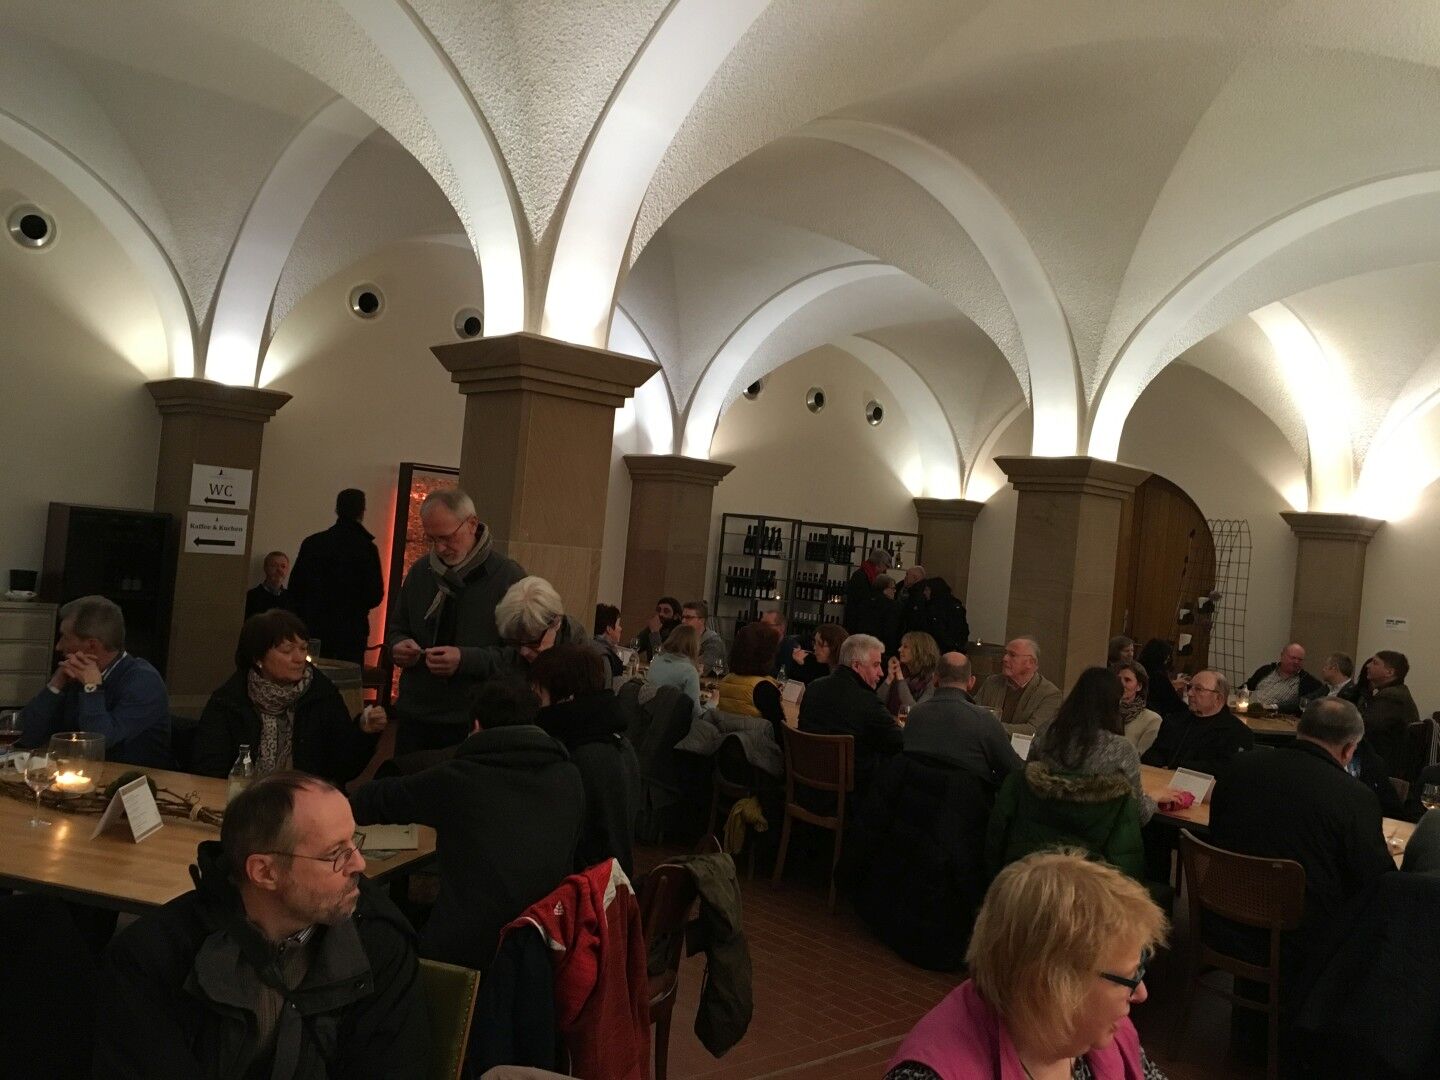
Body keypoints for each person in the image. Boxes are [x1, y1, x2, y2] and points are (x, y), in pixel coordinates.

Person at [92, 772, 430, 1078]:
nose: (359, 863)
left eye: (354, 842)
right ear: (264, 872)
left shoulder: (377, 943)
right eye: (335, 854)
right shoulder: (153, 959)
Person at [350, 681, 585, 971]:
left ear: (475, 725)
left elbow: (373, 800)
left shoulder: (461, 779)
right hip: (547, 938)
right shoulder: (569, 775)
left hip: (469, 948)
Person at [885, 851, 1168, 1080]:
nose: (1141, 993)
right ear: (1055, 986)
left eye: (1139, 970)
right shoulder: (930, 1074)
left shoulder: (1102, 1035)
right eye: (1129, 978)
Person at [1209, 697, 1394, 985]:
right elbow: (1374, 879)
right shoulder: (1354, 796)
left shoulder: (1240, 766)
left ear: (1300, 729)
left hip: (1224, 913)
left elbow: (1216, 830)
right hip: (1300, 939)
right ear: (1349, 749)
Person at [386, 488, 526, 754]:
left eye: (447, 537)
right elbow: (397, 629)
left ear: (472, 524)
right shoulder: (421, 572)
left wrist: (465, 659)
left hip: (472, 719)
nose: (440, 548)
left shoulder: (507, 577)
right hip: (416, 714)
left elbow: (520, 656)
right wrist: (399, 646)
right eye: (432, 539)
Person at [195, 610, 386, 787]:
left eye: (303, 649)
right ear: (258, 658)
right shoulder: (231, 700)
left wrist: (364, 732)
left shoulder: (321, 695)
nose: (299, 658)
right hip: (243, 800)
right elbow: (209, 767)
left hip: (307, 800)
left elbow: (343, 769)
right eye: (287, 651)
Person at [17, 594, 170, 767]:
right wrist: (55, 684)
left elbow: (99, 744)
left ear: (91, 645)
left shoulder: (144, 681)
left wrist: (91, 689)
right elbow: (25, 736)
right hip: (79, 773)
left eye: (65, 637)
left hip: (135, 779)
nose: (58, 646)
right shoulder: (73, 674)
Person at [529, 644, 641, 876]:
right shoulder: (620, 743)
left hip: (581, 888)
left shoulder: (571, 758)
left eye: (538, 694)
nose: (534, 705)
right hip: (614, 882)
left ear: (565, 698)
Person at [1033, 667, 1155, 824]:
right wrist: (1153, 799)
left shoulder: (1046, 734)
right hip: (1096, 834)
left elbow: (1030, 783)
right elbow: (1139, 815)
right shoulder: (1121, 750)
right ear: (1114, 703)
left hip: (1043, 827)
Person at [287, 488, 385, 665]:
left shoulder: (313, 543)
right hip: (351, 632)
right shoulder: (366, 548)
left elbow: (296, 589)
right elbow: (375, 595)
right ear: (361, 512)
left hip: (314, 628)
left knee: (312, 676)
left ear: (337, 509)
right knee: (346, 678)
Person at [798, 633, 902, 793]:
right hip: (849, 795)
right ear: (856, 666)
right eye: (876, 665)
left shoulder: (813, 688)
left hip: (805, 784)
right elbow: (899, 742)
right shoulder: (867, 702)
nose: (881, 673)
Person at [902, 651, 1022, 786]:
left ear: (935, 679)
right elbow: (1014, 772)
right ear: (971, 682)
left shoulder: (915, 715)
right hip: (968, 798)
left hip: (916, 795)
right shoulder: (984, 721)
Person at [1142, 668, 1254, 777]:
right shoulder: (1175, 721)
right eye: (1190, 687)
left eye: (1199, 689)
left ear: (1218, 698)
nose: (1190, 693)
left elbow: (1223, 769)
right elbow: (1155, 753)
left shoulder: (1236, 732)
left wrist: (1177, 768)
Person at [974, 636, 1062, 737]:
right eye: (1005, 653)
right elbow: (973, 714)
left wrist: (992, 727)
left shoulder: (1049, 694)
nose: (1005, 658)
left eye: (1012, 655)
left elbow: (1034, 730)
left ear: (1030, 662)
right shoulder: (992, 682)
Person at [1363, 650, 1419, 780]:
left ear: (1389, 672)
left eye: (1375, 663)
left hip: (1386, 767)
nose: (1368, 665)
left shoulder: (1391, 696)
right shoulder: (1398, 692)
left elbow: (1365, 727)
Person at [715, 622, 781, 720]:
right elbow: (777, 725)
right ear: (766, 655)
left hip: (726, 729)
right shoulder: (765, 688)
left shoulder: (726, 680)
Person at [1245, 642, 1324, 714]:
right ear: (1282, 656)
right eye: (1293, 658)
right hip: (1250, 713)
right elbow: (1247, 687)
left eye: (1300, 660)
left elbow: (1320, 697)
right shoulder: (1266, 670)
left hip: (1277, 719)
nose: (1296, 662)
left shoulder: (1307, 681)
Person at [876, 630, 939, 717]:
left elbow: (915, 712)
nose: (899, 649)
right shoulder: (899, 670)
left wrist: (900, 679)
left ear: (919, 651)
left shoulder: (932, 680)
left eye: (905, 647)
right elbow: (876, 703)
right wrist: (889, 678)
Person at [902, 575, 970, 655]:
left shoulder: (934, 609)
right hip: (950, 649)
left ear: (934, 590)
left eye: (927, 590)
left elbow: (937, 630)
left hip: (938, 649)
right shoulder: (955, 605)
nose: (924, 593)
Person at [645, 623, 703, 707]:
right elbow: (695, 712)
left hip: (649, 711)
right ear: (694, 645)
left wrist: (695, 676)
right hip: (669, 714)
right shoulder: (690, 671)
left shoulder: (656, 658)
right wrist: (712, 703)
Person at [844, 546, 893, 639]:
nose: (885, 570)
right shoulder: (862, 576)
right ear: (879, 563)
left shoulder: (866, 574)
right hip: (857, 623)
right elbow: (863, 601)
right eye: (886, 566)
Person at [1114, 660, 1162, 756]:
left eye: (1127, 680)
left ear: (1139, 686)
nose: (1121, 684)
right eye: (1118, 680)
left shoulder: (1152, 719)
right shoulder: (1105, 712)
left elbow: (1141, 756)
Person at [1137, 637, 1187, 718]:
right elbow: (1174, 703)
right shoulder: (1158, 675)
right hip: (1155, 715)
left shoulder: (1138, 668)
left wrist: (1171, 684)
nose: (1168, 659)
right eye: (1167, 656)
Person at [243, 550, 295, 620]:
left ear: (287, 569)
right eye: (274, 566)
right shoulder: (251, 597)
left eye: (283, 566)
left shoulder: (291, 598)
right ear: (265, 568)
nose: (279, 570)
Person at [681, 599, 727, 673]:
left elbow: (703, 668)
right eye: (683, 617)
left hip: (712, 679)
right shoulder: (681, 637)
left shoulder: (713, 641)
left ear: (701, 620)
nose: (683, 621)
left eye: (688, 617)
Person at [592, 602, 624, 678]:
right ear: (609, 629)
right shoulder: (605, 656)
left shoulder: (591, 644)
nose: (620, 628)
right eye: (618, 624)